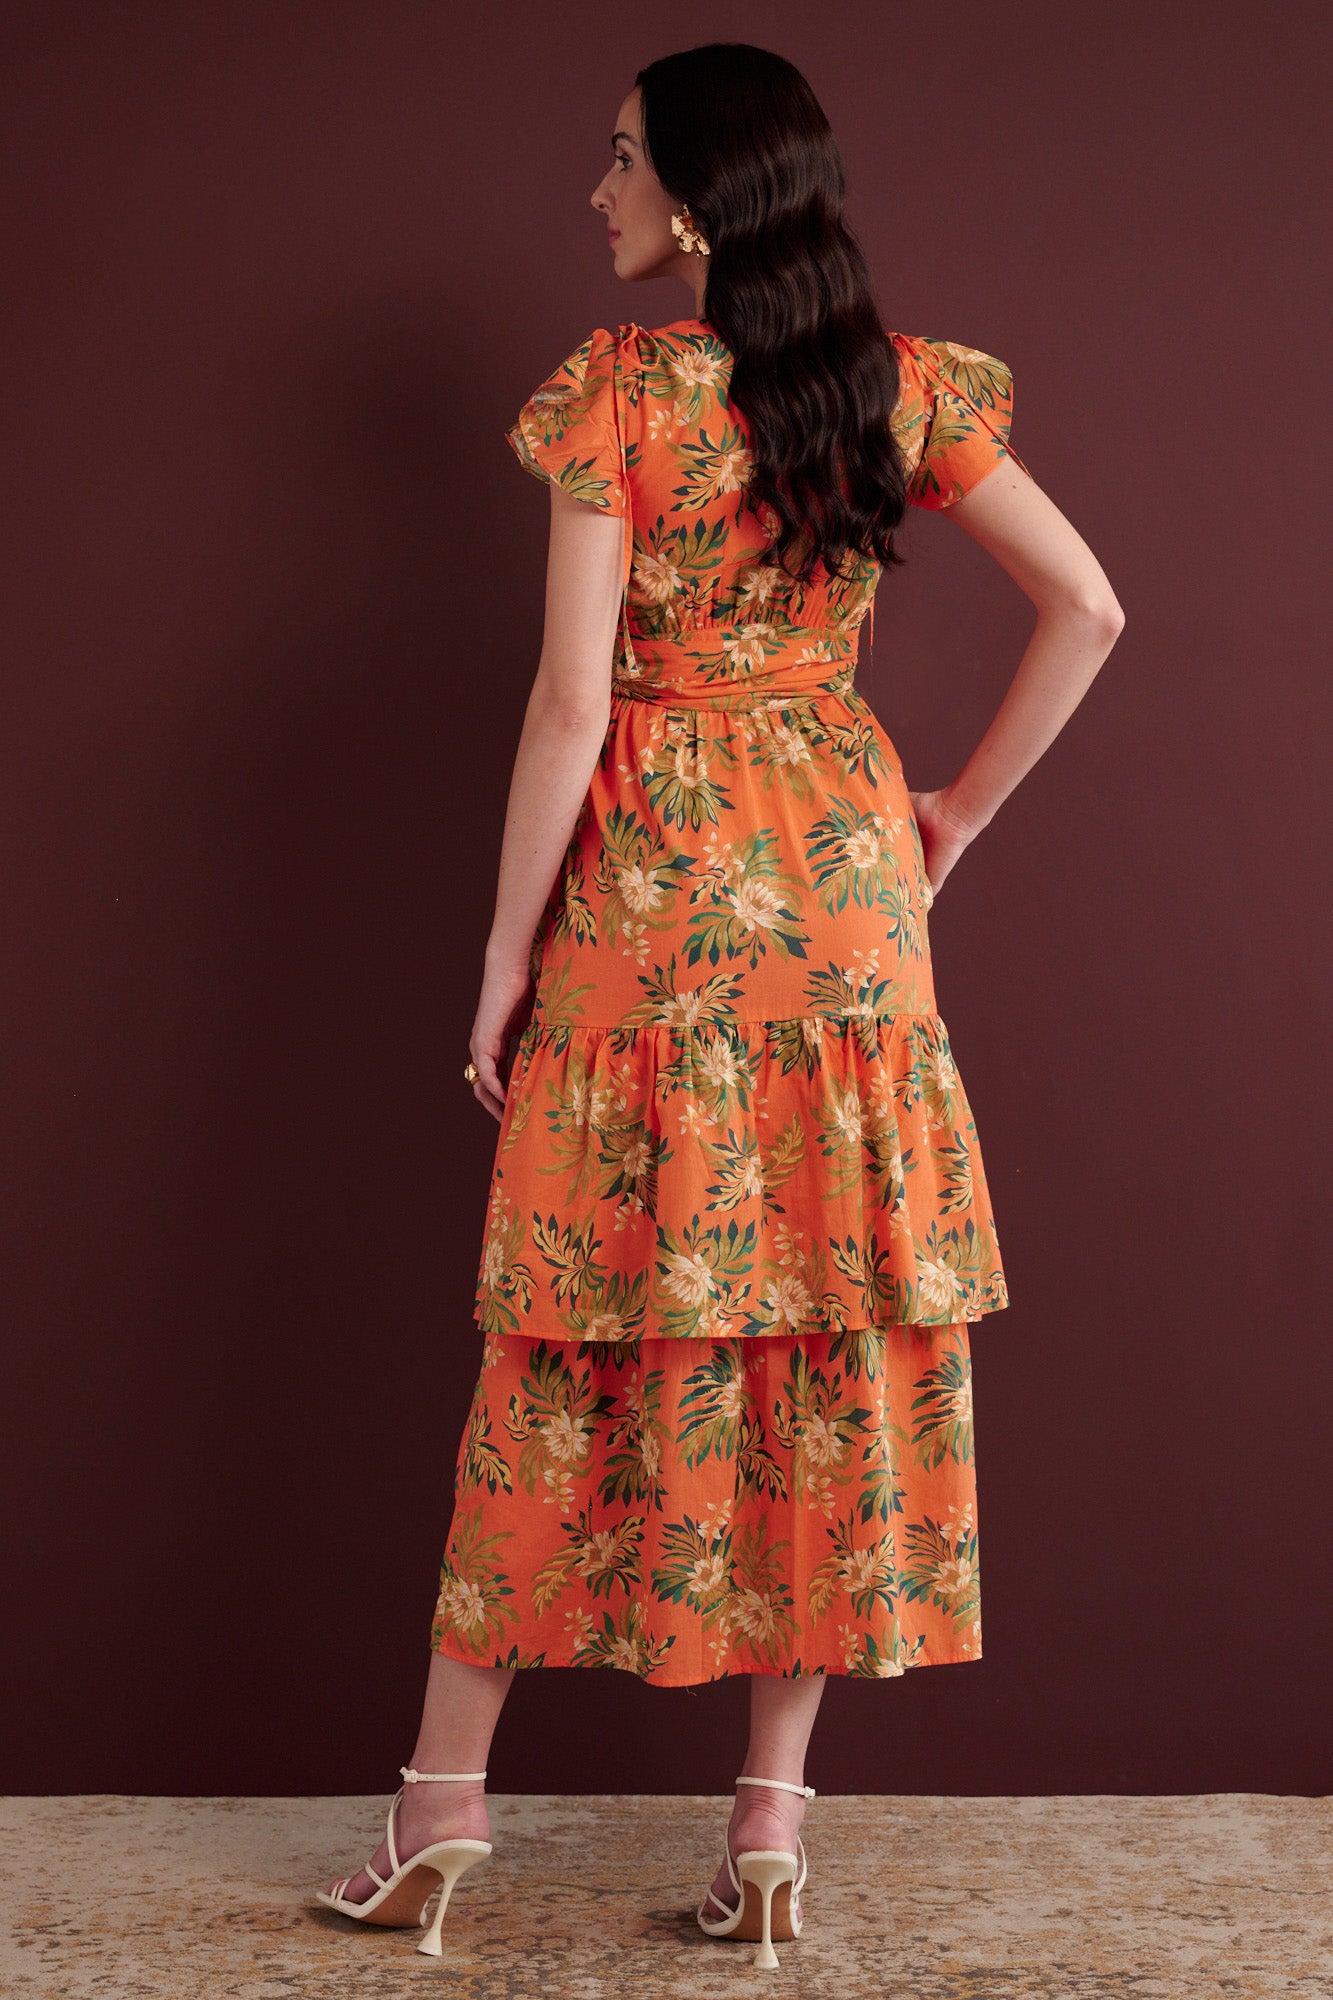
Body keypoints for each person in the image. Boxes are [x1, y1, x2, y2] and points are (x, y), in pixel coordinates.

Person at [316, 42, 1124, 1970]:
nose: (592, 195)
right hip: (848, 895)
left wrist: (508, 953)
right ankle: (768, 1834)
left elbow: (574, 705)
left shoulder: (617, 398)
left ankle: (439, 1817)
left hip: (657, 908)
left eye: (614, 165)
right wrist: (946, 819)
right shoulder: (894, 383)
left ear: (689, 198)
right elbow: (1087, 608)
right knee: (824, 1333)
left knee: (569, 1331)